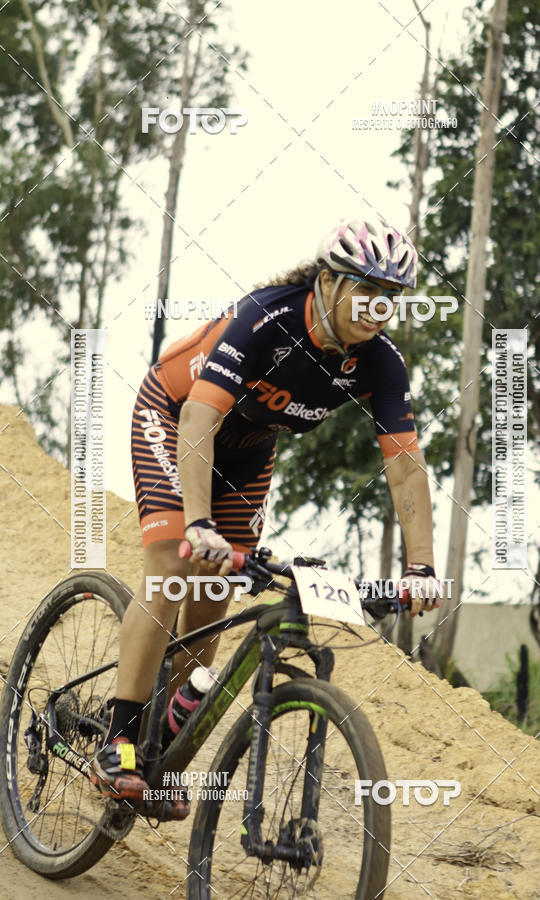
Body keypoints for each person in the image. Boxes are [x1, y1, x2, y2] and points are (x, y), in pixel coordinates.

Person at [91, 218, 441, 813]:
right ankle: (118, 739)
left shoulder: (380, 362)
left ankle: (159, 744)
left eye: (391, 297)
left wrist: (423, 567)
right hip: (176, 419)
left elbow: (405, 468)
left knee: (212, 600)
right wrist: (198, 523)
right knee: (175, 564)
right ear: (328, 283)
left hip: (249, 452)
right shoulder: (265, 317)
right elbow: (199, 421)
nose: (377, 307)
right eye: (365, 289)